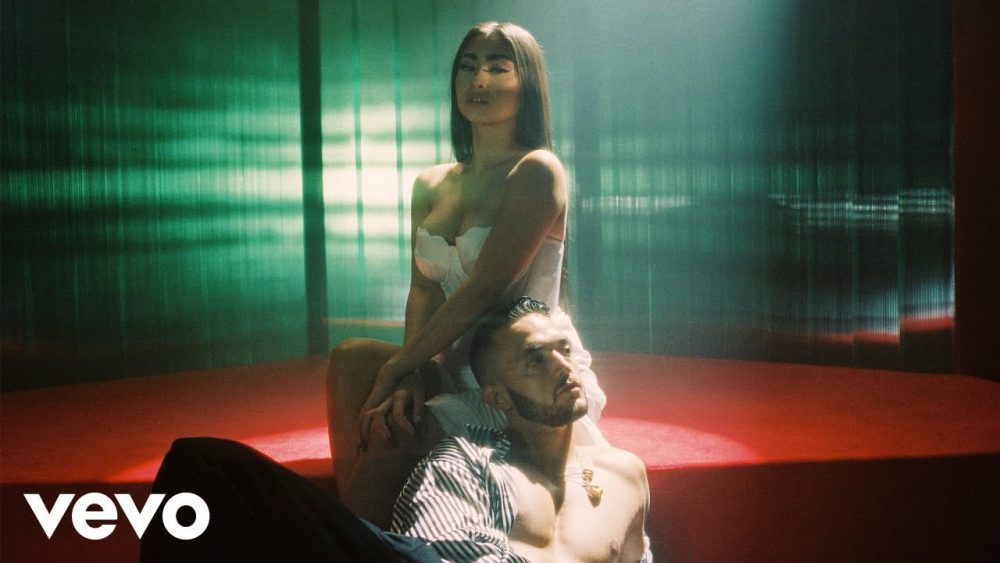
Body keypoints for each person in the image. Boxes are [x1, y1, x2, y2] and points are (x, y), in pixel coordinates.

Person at [327, 21, 608, 527]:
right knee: (350, 358)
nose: (478, 80)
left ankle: (352, 533)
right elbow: (423, 288)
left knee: (394, 414)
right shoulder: (431, 183)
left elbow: (482, 291)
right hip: (447, 356)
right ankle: (359, 521)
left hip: (515, 366)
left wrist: (398, 369)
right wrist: (411, 371)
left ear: (526, 85)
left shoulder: (538, 170)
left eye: (498, 68)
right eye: (467, 66)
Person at [140, 298, 651, 563]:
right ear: (495, 397)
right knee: (204, 465)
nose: (562, 366)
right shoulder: (464, 460)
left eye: (565, 349)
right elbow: (441, 548)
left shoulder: (626, 476)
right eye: (534, 359)